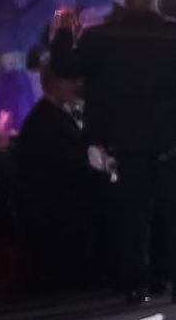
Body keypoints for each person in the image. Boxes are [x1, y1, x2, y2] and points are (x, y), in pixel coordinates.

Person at [59, 0, 176, 303]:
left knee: (132, 219)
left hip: (124, 143)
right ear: (157, 2)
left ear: (126, 3)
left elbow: (64, 67)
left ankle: (136, 285)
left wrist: (64, 32)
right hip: (173, 142)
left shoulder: (101, 38)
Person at [14, 34, 107, 292]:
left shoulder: (56, 115)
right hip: (54, 202)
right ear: (54, 83)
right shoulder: (46, 121)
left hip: (60, 194)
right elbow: (67, 167)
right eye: (71, 80)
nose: (78, 85)